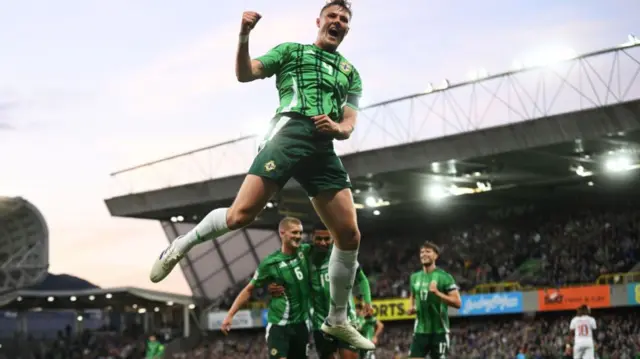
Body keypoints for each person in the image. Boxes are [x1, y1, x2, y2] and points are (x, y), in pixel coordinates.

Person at [149, 0, 371, 350]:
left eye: (344, 19)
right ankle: (181, 245)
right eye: (333, 16)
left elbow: (350, 123)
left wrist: (337, 128)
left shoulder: (350, 72)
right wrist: (243, 36)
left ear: (347, 29)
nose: (338, 21)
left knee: (349, 235)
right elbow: (245, 73)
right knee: (240, 215)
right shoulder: (291, 51)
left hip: (323, 146)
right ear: (319, 20)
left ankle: (337, 320)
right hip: (289, 133)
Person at [269, 224, 373, 359]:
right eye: (318, 238)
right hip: (321, 324)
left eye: (326, 239)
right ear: (312, 238)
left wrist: (367, 301)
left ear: (332, 239)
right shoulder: (304, 255)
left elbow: (362, 279)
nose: (322, 242)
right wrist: (273, 284)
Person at [221, 217, 312, 359]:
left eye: (300, 233)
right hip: (279, 326)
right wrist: (230, 315)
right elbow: (249, 290)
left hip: (301, 326)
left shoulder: (306, 252)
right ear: (282, 233)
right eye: (294, 232)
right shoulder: (270, 263)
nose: (299, 236)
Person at [407, 242, 461, 359]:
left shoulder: (444, 277)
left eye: (428, 251)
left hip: (439, 331)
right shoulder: (414, 277)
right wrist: (411, 307)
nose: (424, 254)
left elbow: (457, 303)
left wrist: (438, 293)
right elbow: (413, 294)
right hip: (420, 331)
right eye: (422, 252)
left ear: (436, 256)